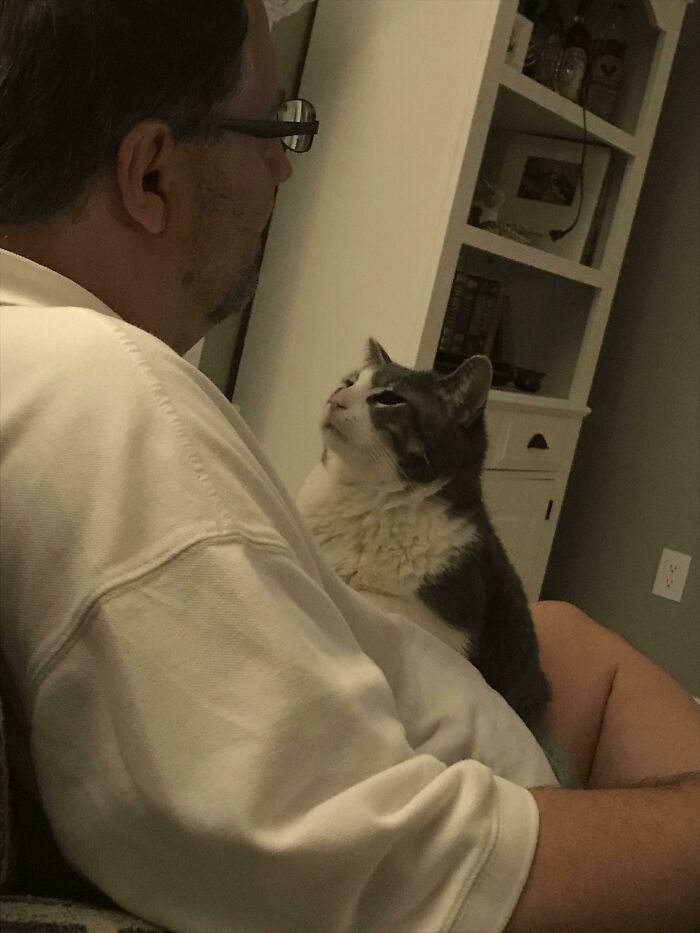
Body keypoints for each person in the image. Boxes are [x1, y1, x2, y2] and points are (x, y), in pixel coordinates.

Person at [0, 0, 698, 930]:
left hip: (443, 699)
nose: (284, 169)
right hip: (484, 795)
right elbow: (385, 870)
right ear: (151, 171)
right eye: (272, 128)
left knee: (568, 636)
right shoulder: (106, 389)